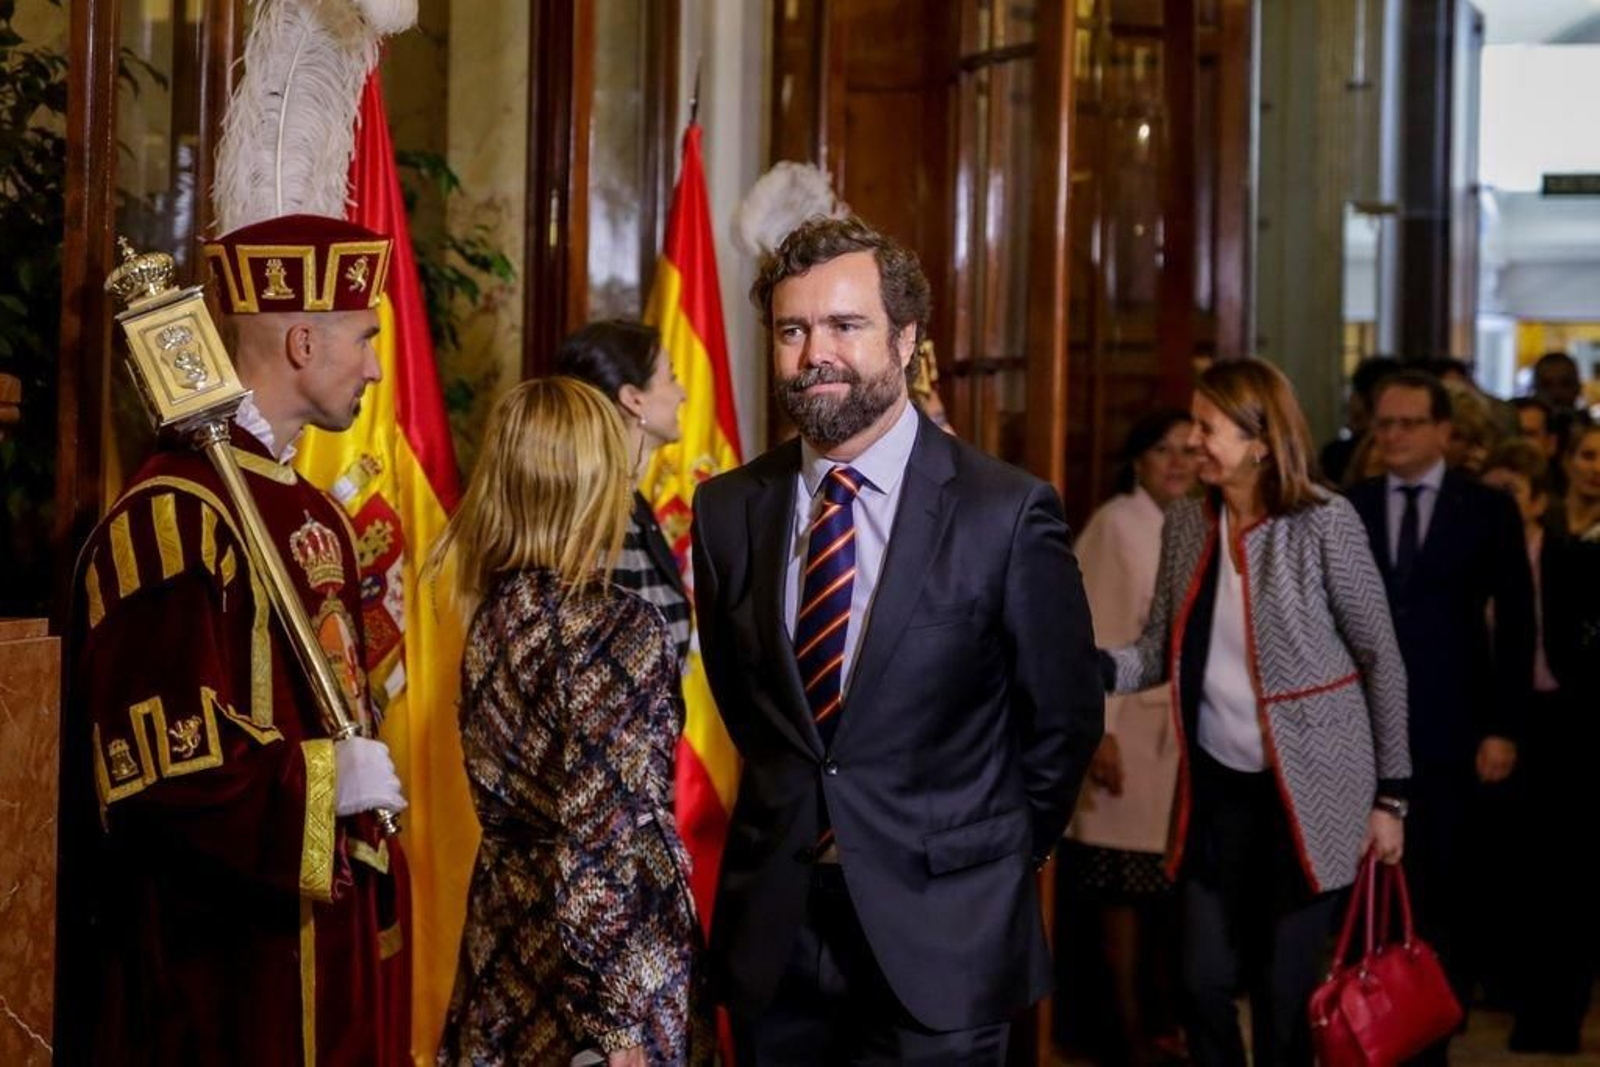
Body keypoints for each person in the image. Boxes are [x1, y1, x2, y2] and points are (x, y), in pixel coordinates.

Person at [692, 215, 1104, 1063]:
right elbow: (750, 704)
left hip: (945, 934)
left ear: (906, 337)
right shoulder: (729, 509)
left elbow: (1062, 718)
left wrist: (991, 858)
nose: (816, 354)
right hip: (779, 930)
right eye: (793, 329)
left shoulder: (1006, 511)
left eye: (846, 325)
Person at [62, 214, 411, 1064]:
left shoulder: (314, 508)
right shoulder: (172, 517)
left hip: (330, 948)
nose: (373, 365)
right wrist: (327, 781)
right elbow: (160, 771)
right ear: (300, 340)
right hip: (223, 977)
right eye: (364, 339)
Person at [1104, 359, 1410, 1067]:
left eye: (1206, 429)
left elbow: (1382, 659)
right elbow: (1159, 651)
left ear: (1261, 442)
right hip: (1215, 794)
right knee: (1199, 981)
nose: (1191, 443)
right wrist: (1085, 669)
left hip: (1310, 795)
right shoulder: (1187, 521)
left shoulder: (1325, 523)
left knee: (1284, 996)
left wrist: (1392, 795)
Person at [433, 377, 711, 1066]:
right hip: (599, 997)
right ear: (594, 485)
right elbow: (603, 843)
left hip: (503, 959)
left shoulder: (494, 615)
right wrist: (622, 1031)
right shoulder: (618, 628)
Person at [1346, 370, 1534, 1057]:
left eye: (1406, 423)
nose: (1390, 435)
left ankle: (1430, 1037)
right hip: (1361, 732)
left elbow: (1515, 622)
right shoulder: (1351, 505)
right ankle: (1365, 1028)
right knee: (1365, 893)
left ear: (1443, 431)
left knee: (1444, 892)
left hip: (1452, 729)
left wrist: (1503, 725)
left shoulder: (1483, 509)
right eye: (1382, 424)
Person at [1061, 409, 1197, 1066]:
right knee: (1120, 892)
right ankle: (1122, 1029)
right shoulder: (1118, 523)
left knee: (1162, 899)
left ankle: (1160, 1020)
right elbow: (1097, 633)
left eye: (1186, 450)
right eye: (1161, 449)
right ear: (1137, 459)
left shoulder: (1193, 523)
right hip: (1129, 733)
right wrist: (1100, 734)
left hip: (1180, 740)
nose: (1176, 461)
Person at [1503, 428, 1600, 1052]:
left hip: (1583, 718)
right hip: (1528, 714)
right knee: (1531, 869)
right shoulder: (1547, 528)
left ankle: (1557, 1013)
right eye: (1589, 455)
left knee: (1574, 872)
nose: (1596, 469)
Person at [556, 319, 691, 664]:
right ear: (633, 399)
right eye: (672, 377)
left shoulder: (631, 505)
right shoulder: (594, 517)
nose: (683, 394)